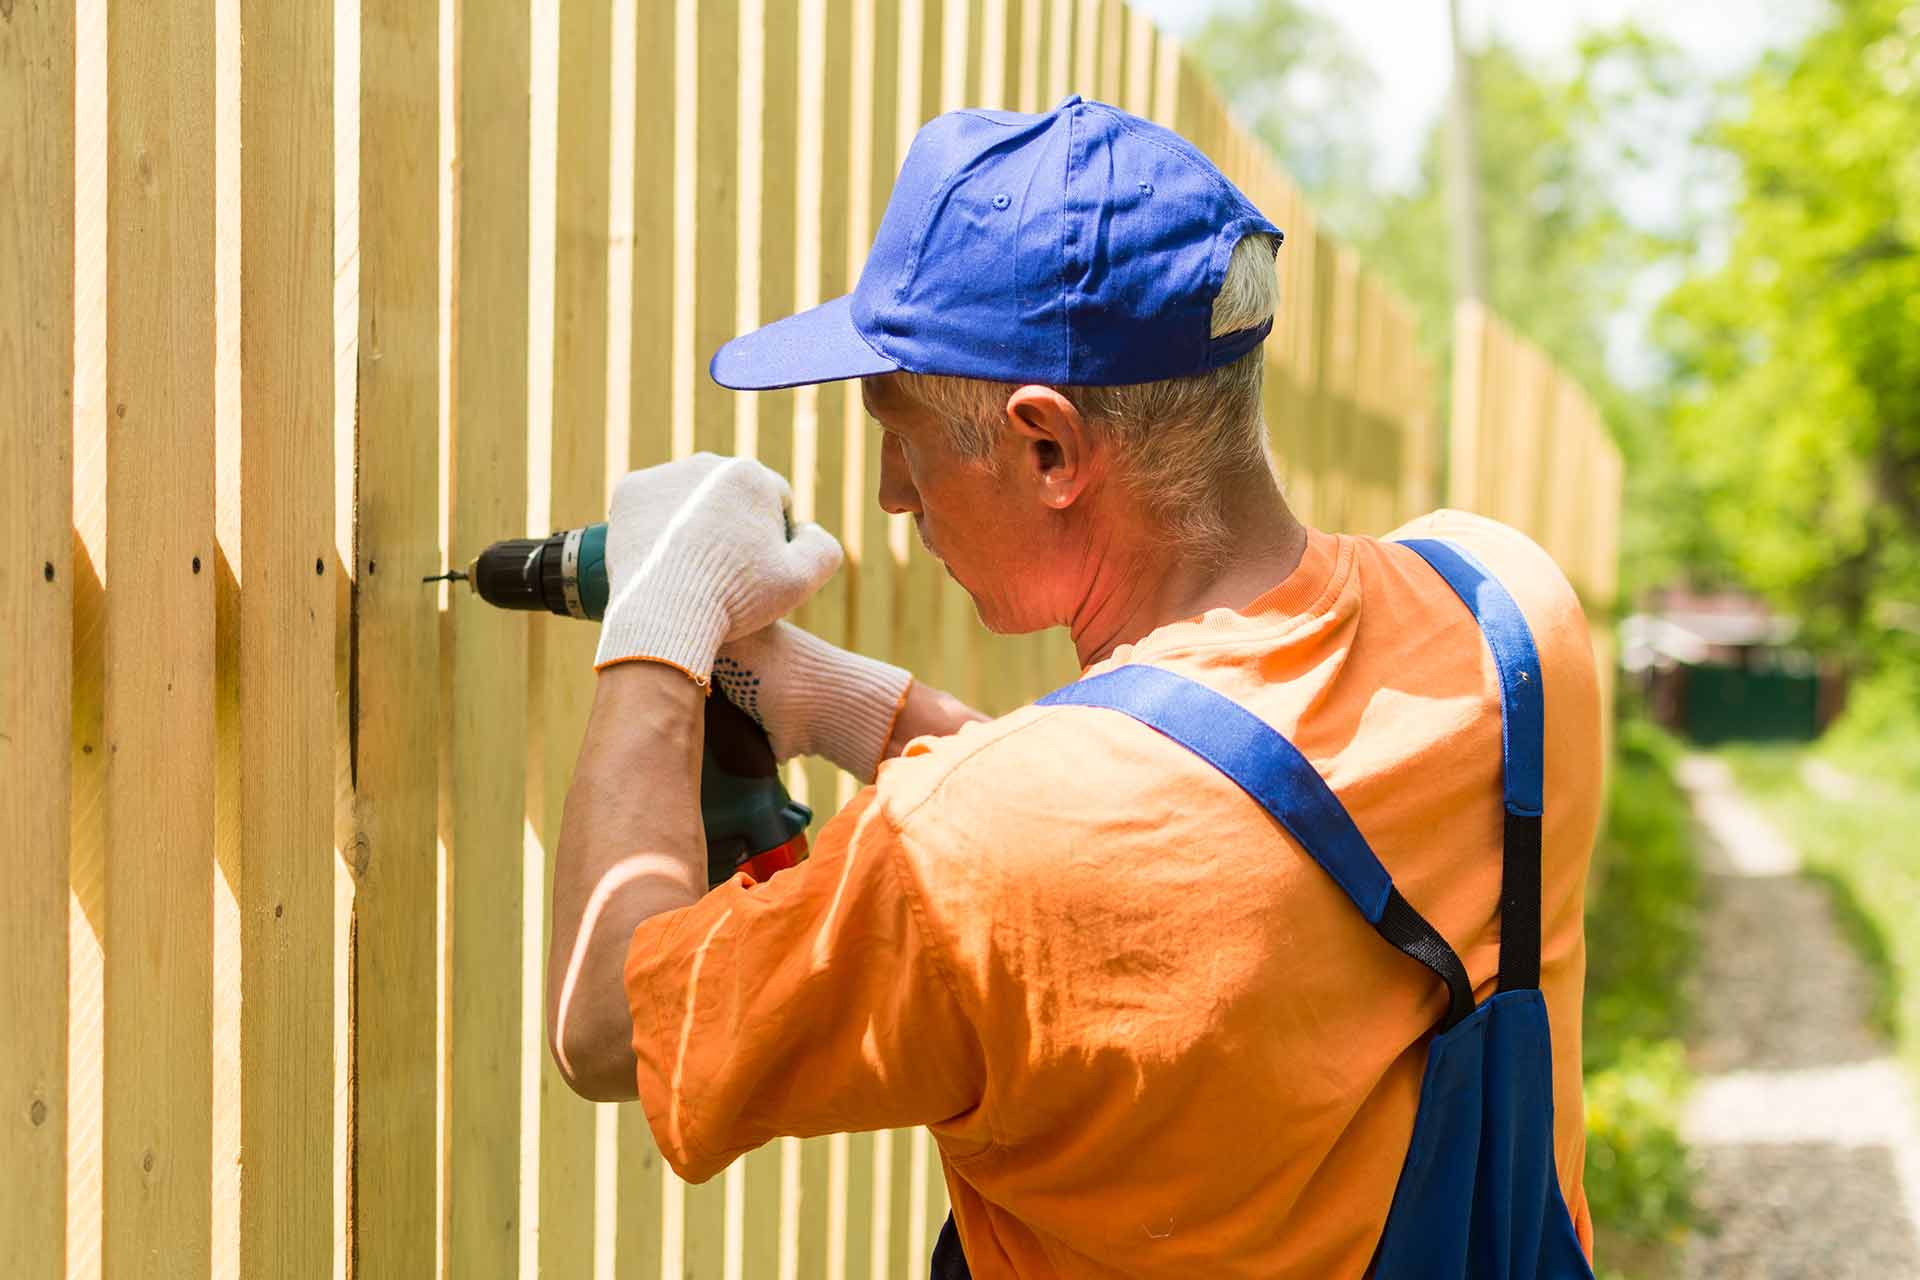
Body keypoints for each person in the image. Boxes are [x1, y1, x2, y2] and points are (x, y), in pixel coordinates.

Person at [545, 95, 1602, 1277]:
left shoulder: (973, 851)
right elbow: (1198, 844)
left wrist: (662, 620)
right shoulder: (1511, 617)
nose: (894, 490)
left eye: (898, 428)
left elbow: (603, 1022)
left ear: (1047, 445)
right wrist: (855, 705)